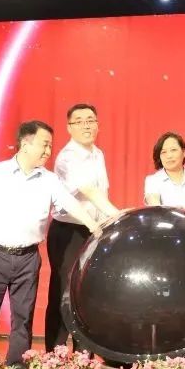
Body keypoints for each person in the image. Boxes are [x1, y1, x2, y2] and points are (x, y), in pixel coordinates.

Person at [0, 120, 100, 366]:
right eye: (44, 145)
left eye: (50, 146)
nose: (48, 151)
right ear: (25, 144)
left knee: (23, 319)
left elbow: (71, 204)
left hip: (28, 258)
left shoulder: (49, 180)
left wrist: (93, 224)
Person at [44, 103, 120, 351]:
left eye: (91, 120)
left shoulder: (98, 154)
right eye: (79, 121)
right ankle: (54, 355)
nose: (86, 125)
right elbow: (89, 190)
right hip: (69, 232)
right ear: (69, 127)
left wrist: (107, 220)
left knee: (86, 293)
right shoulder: (68, 157)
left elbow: (101, 193)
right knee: (64, 293)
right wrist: (116, 214)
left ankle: (83, 355)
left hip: (93, 231)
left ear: (98, 125)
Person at [144, 132, 185, 208]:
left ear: (183, 153)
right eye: (163, 152)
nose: (169, 156)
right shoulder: (153, 181)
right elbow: (155, 208)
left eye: (173, 150)